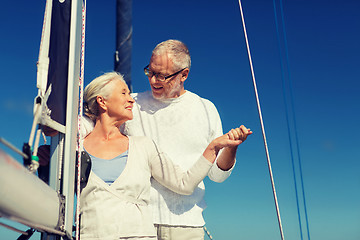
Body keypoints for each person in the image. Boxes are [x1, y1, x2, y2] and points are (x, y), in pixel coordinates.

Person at [79, 72, 252, 239]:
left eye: (130, 94)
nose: (131, 99)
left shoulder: (144, 146)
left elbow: (184, 184)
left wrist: (214, 146)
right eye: (123, 93)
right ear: (102, 101)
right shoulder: (77, 146)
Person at [120, 39, 249, 239]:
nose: (153, 80)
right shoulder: (131, 105)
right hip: (134, 222)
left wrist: (231, 147)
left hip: (187, 225)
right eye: (150, 72)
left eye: (162, 76)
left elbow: (218, 176)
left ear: (184, 75)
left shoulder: (205, 109)